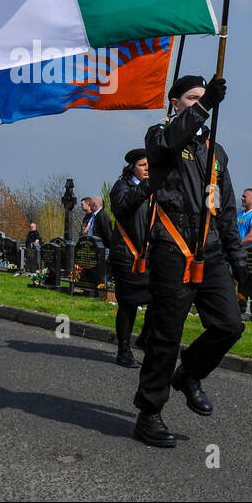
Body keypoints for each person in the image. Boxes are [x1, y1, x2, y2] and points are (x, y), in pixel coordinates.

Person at [132, 74, 246, 448]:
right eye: (192, 97)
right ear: (175, 102)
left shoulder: (216, 152)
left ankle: (190, 374)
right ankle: (149, 413)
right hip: (173, 249)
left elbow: (224, 208)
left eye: (204, 96)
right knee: (166, 337)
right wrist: (203, 105)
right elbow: (168, 141)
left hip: (210, 251)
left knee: (229, 326)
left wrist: (238, 257)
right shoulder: (159, 136)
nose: (200, 101)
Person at [109, 149, 152, 368]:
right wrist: (145, 188)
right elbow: (123, 206)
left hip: (150, 256)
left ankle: (145, 337)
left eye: (149, 165)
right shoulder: (122, 187)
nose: (147, 169)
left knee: (161, 298)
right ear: (132, 167)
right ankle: (123, 350)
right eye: (143, 165)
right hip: (126, 255)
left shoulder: (154, 189)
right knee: (129, 304)